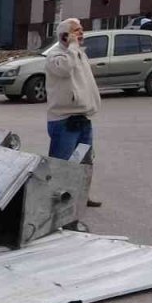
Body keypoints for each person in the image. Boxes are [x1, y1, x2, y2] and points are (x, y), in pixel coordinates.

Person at [44, 18, 103, 207]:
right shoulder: (55, 55)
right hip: (63, 119)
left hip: (82, 116)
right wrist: (72, 46)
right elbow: (64, 69)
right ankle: (54, 200)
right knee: (62, 164)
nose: (81, 34)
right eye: (76, 31)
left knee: (85, 160)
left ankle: (82, 195)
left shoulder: (77, 53)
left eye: (81, 30)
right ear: (64, 35)